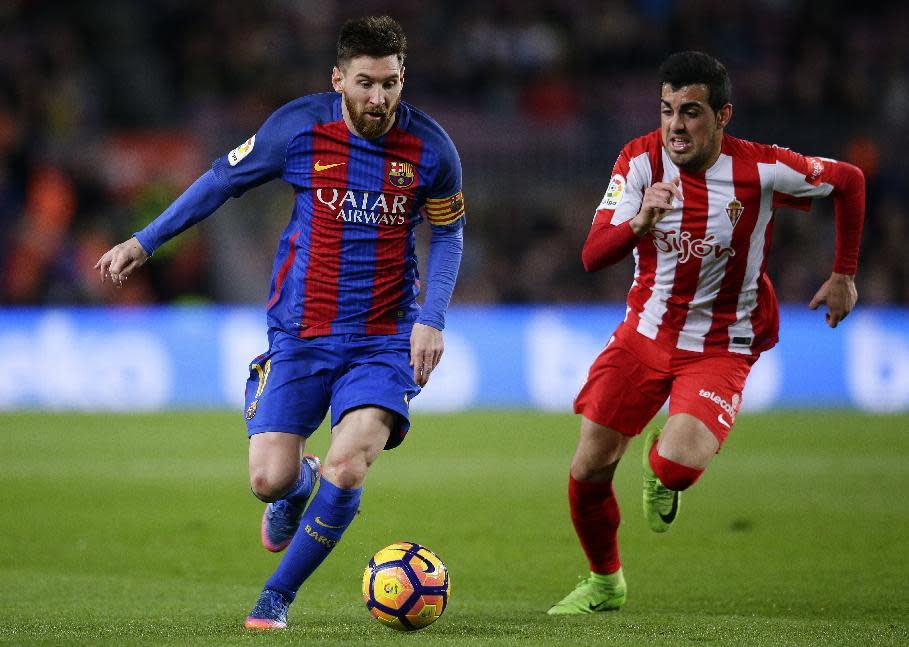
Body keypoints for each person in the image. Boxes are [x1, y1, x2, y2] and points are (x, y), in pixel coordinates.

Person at [95, 16, 466, 629]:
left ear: (405, 79)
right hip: (302, 333)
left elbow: (450, 232)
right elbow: (221, 181)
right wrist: (145, 240)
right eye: (366, 83)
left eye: (391, 84)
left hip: (385, 339)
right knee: (269, 480)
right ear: (338, 78)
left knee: (351, 465)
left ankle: (276, 598)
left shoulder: (432, 149)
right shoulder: (297, 128)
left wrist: (432, 317)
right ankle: (299, 485)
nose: (379, 99)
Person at [547, 51, 865, 614]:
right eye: (667, 110)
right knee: (588, 468)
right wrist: (638, 221)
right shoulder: (639, 161)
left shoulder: (762, 169)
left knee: (675, 468)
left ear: (723, 116)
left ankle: (659, 464)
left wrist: (843, 272)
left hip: (722, 343)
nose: (675, 125)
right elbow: (593, 255)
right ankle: (604, 581)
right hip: (643, 335)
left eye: (691, 112)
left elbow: (850, 180)